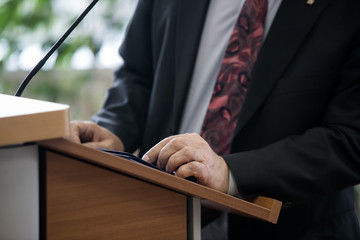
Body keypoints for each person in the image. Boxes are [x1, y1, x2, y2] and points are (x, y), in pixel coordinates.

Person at [69, 0, 360, 239]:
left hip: (292, 230)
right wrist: (114, 131)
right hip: (155, 218)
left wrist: (230, 173)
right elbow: (138, 72)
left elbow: (351, 138)